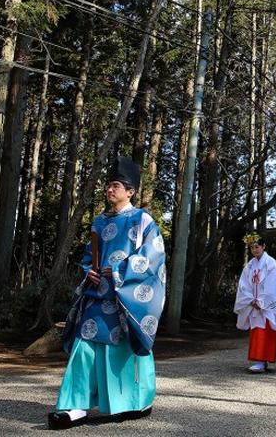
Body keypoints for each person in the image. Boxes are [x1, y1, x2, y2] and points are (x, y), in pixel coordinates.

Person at [49, 156, 167, 430]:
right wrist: (87, 270)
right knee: (83, 348)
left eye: (115, 185)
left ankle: (136, 403)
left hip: (127, 300)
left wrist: (118, 272)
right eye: (108, 185)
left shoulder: (143, 220)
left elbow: (153, 259)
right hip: (96, 295)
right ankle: (73, 406)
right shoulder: (99, 222)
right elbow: (90, 256)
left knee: (124, 350)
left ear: (131, 191)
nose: (109, 190)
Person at [234, 232, 276, 373]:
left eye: (257, 247)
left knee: (266, 331)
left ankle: (263, 360)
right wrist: (250, 299)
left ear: (264, 247)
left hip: (266, 304)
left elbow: (273, 284)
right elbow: (244, 284)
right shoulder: (250, 265)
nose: (255, 250)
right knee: (256, 331)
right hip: (253, 303)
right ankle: (258, 360)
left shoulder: (270, 263)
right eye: (252, 247)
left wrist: (261, 301)